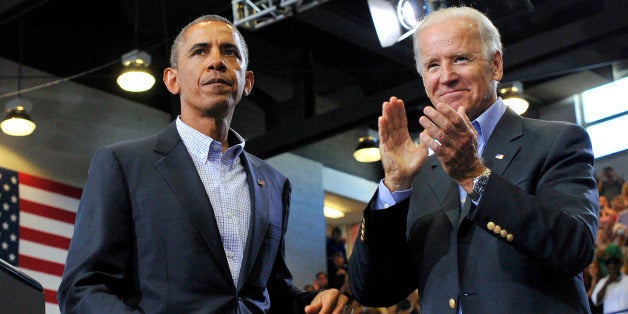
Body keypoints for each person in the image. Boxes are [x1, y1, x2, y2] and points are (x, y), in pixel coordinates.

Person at [57, 14, 348, 313]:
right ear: (173, 80)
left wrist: (311, 302)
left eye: (230, 52)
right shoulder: (123, 164)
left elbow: (270, 290)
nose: (216, 61)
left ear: (246, 82)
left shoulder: (274, 183)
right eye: (199, 51)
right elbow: (83, 288)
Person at [348, 6, 599, 313]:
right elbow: (373, 290)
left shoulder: (557, 142)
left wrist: (474, 177)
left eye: (461, 59)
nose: (447, 77)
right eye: (432, 66)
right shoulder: (422, 172)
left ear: (495, 65)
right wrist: (395, 186)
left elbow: (574, 248)